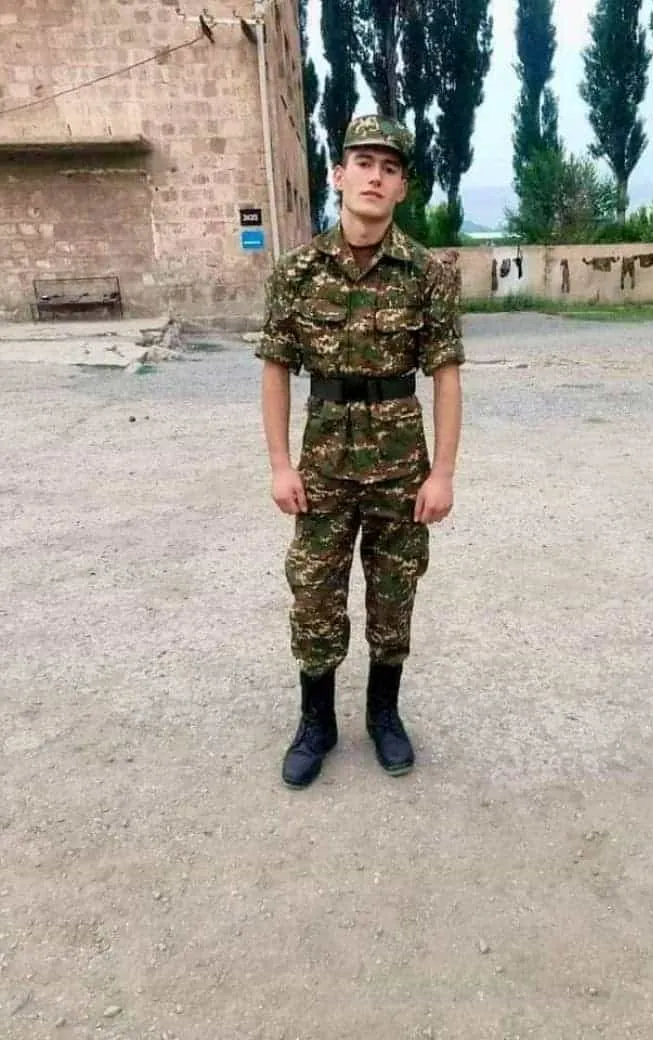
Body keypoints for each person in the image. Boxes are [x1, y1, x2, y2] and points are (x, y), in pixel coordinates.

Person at [255, 114, 464, 789]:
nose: (375, 177)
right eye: (364, 163)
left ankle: (384, 714)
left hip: (401, 466)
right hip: (322, 463)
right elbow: (276, 369)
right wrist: (280, 465)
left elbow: (446, 375)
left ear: (402, 188)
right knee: (314, 592)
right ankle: (316, 722)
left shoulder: (427, 274)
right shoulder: (297, 272)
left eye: (390, 167)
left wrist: (442, 473)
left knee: (394, 592)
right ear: (339, 175)